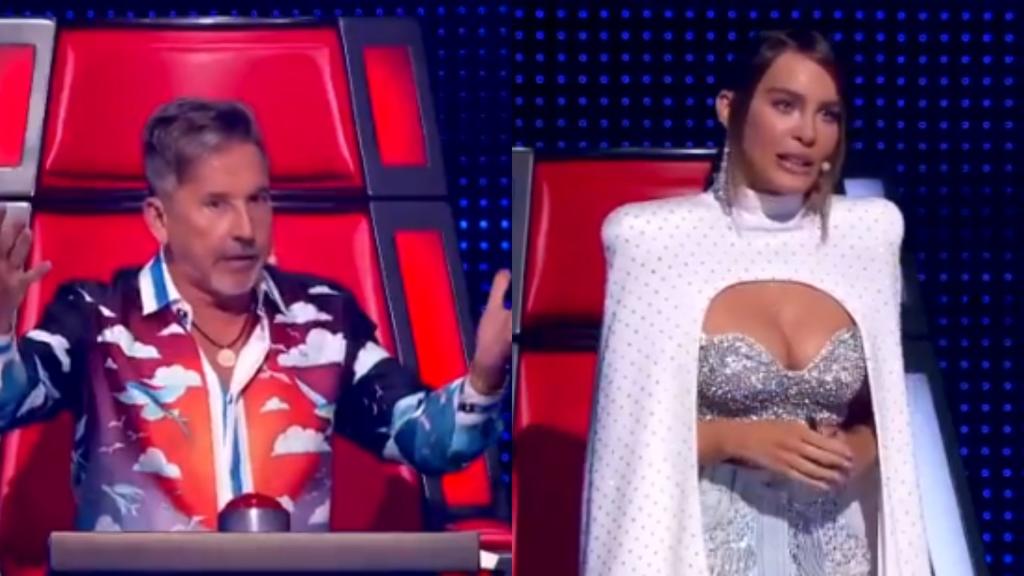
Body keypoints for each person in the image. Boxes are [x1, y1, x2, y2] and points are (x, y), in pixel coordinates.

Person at [0, 98, 512, 532]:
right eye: (216, 204)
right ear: (158, 218)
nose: (247, 229)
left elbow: (428, 442)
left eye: (258, 199)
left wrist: (485, 376)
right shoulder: (96, 317)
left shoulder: (323, 320)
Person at [580, 30, 929, 575]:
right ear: (729, 107)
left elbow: (885, 417)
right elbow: (627, 445)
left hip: (838, 552)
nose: (808, 133)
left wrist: (857, 448)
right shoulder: (653, 242)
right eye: (785, 105)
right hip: (706, 554)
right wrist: (735, 437)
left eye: (829, 114)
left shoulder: (869, 236)